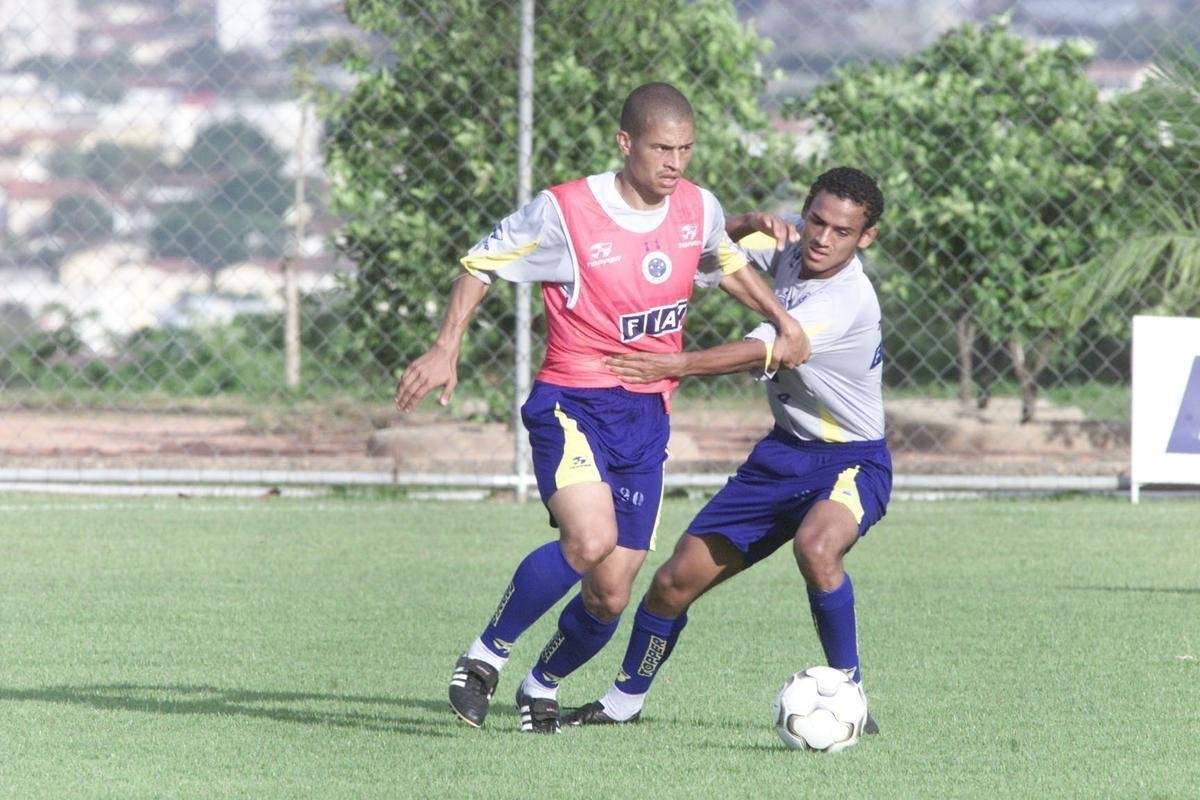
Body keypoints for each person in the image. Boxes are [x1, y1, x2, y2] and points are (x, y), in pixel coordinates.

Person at [393, 82, 810, 734]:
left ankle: (542, 682)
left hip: (646, 419)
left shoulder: (697, 207)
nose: (675, 162)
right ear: (625, 143)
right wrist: (446, 346)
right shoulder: (566, 210)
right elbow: (479, 264)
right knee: (588, 540)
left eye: (685, 149)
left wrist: (782, 320)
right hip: (573, 401)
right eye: (661, 148)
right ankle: (482, 659)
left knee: (611, 590)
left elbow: (724, 263)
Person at [564, 166, 889, 733]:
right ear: (804, 210)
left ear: (866, 238)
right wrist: (740, 224)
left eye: (842, 231)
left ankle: (850, 692)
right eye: (815, 220)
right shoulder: (787, 243)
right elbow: (699, 254)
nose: (822, 238)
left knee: (817, 548)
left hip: (851, 458)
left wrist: (675, 365)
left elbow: (764, 348)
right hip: (780, 458)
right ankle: (623, 704)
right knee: (671, 585)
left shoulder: (847, 299)